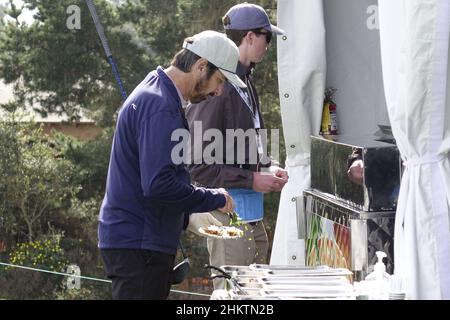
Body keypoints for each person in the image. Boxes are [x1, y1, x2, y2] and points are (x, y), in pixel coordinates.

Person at [98, 30, 246, 300]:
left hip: (136, 241)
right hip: (139, 245)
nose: (219, 91)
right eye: (219, 80)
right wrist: (212, 197)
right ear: (201, 66)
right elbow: (158, 185)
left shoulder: (157, 91)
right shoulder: (160, 105)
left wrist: (188, 213)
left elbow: (160, 177)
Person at [185, 3, 288, 289]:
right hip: (225, 215)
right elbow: (198, 165)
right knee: (232, 299)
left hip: (251, 217)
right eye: (268, 37)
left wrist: (268, 167)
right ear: (251, 37)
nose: (270, 45)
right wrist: (253, 178)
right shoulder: (217, 86)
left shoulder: (246, 81)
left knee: (254, 298)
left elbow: (245, 146)